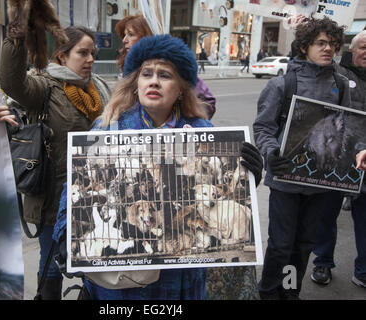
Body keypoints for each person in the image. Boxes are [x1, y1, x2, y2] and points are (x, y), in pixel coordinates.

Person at [60, 34, 263, 300]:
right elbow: (73, 185)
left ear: (181, 88)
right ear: (136, 83)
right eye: (147, 74)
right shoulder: (109, 126)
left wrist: (249, 175)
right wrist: (65, 231)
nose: (154, 81)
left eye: (165, 75)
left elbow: (219, 191)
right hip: (123, 285)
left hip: (179, 280)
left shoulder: (203, 131)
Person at [0, 25, 111, 299]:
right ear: (61, 56)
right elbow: (11, 82)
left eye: (93, 52)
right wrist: (18, 36)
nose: (91, 59)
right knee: (52, 268)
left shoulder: (101, 90)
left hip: (96, 199)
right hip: (53, 200)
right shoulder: (43, 87)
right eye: (83, 53)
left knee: (95, 267)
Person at [253, 17, 350, 300]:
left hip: (320, 182)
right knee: (281, 245)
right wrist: (271, 152)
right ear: (305, 46)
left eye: (332, 44)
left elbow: (345, 128)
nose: (328, 48)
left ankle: (289, 290)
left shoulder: (341, 85)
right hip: (285, 181)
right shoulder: (282, 84)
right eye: (321, 43)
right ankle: (270, 293)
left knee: (304, 244)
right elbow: (263, 127)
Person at [310, 30, 366, 288]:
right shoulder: (336, 72)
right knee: (326, 213)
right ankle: (323, 262)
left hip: (365, 157)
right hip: (338, 155)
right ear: (352, 49)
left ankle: (363, 270)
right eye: (364, 47)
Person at [115, 15, 216, 120]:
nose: (124, 40)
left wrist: (184, 120)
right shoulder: (115, 125)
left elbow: (207, 102)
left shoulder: (175, 64)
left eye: (131, 34)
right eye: (146, 74)